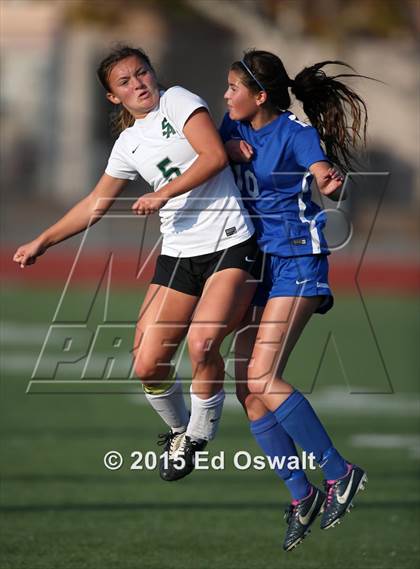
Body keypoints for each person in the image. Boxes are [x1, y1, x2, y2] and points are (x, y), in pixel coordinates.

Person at [13, 45, 260, 482]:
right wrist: (43, 241)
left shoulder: (178, 100)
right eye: (125, 82)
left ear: (152, 72)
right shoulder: (128, 143)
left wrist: (163, 193)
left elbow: (214, 156)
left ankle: (199, 437)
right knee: (147, 365)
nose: (138, 84)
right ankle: (181, 430)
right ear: (113, 97)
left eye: (141, 73)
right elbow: (95, 203)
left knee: (203, 346)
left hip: (229, 242)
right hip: (179, 253)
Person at [220, 50, 369, 551]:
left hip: (297, 262)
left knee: (264, 375)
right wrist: (222, 149)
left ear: (260, 96)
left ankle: (339, 471)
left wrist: (329, 180)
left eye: (233, 88)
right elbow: (206, 154)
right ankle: (300, 494)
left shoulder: (296, 133)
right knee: (248, 390)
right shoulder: (230, 125)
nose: (226, 96)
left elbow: (324, 172)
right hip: (254, 267)